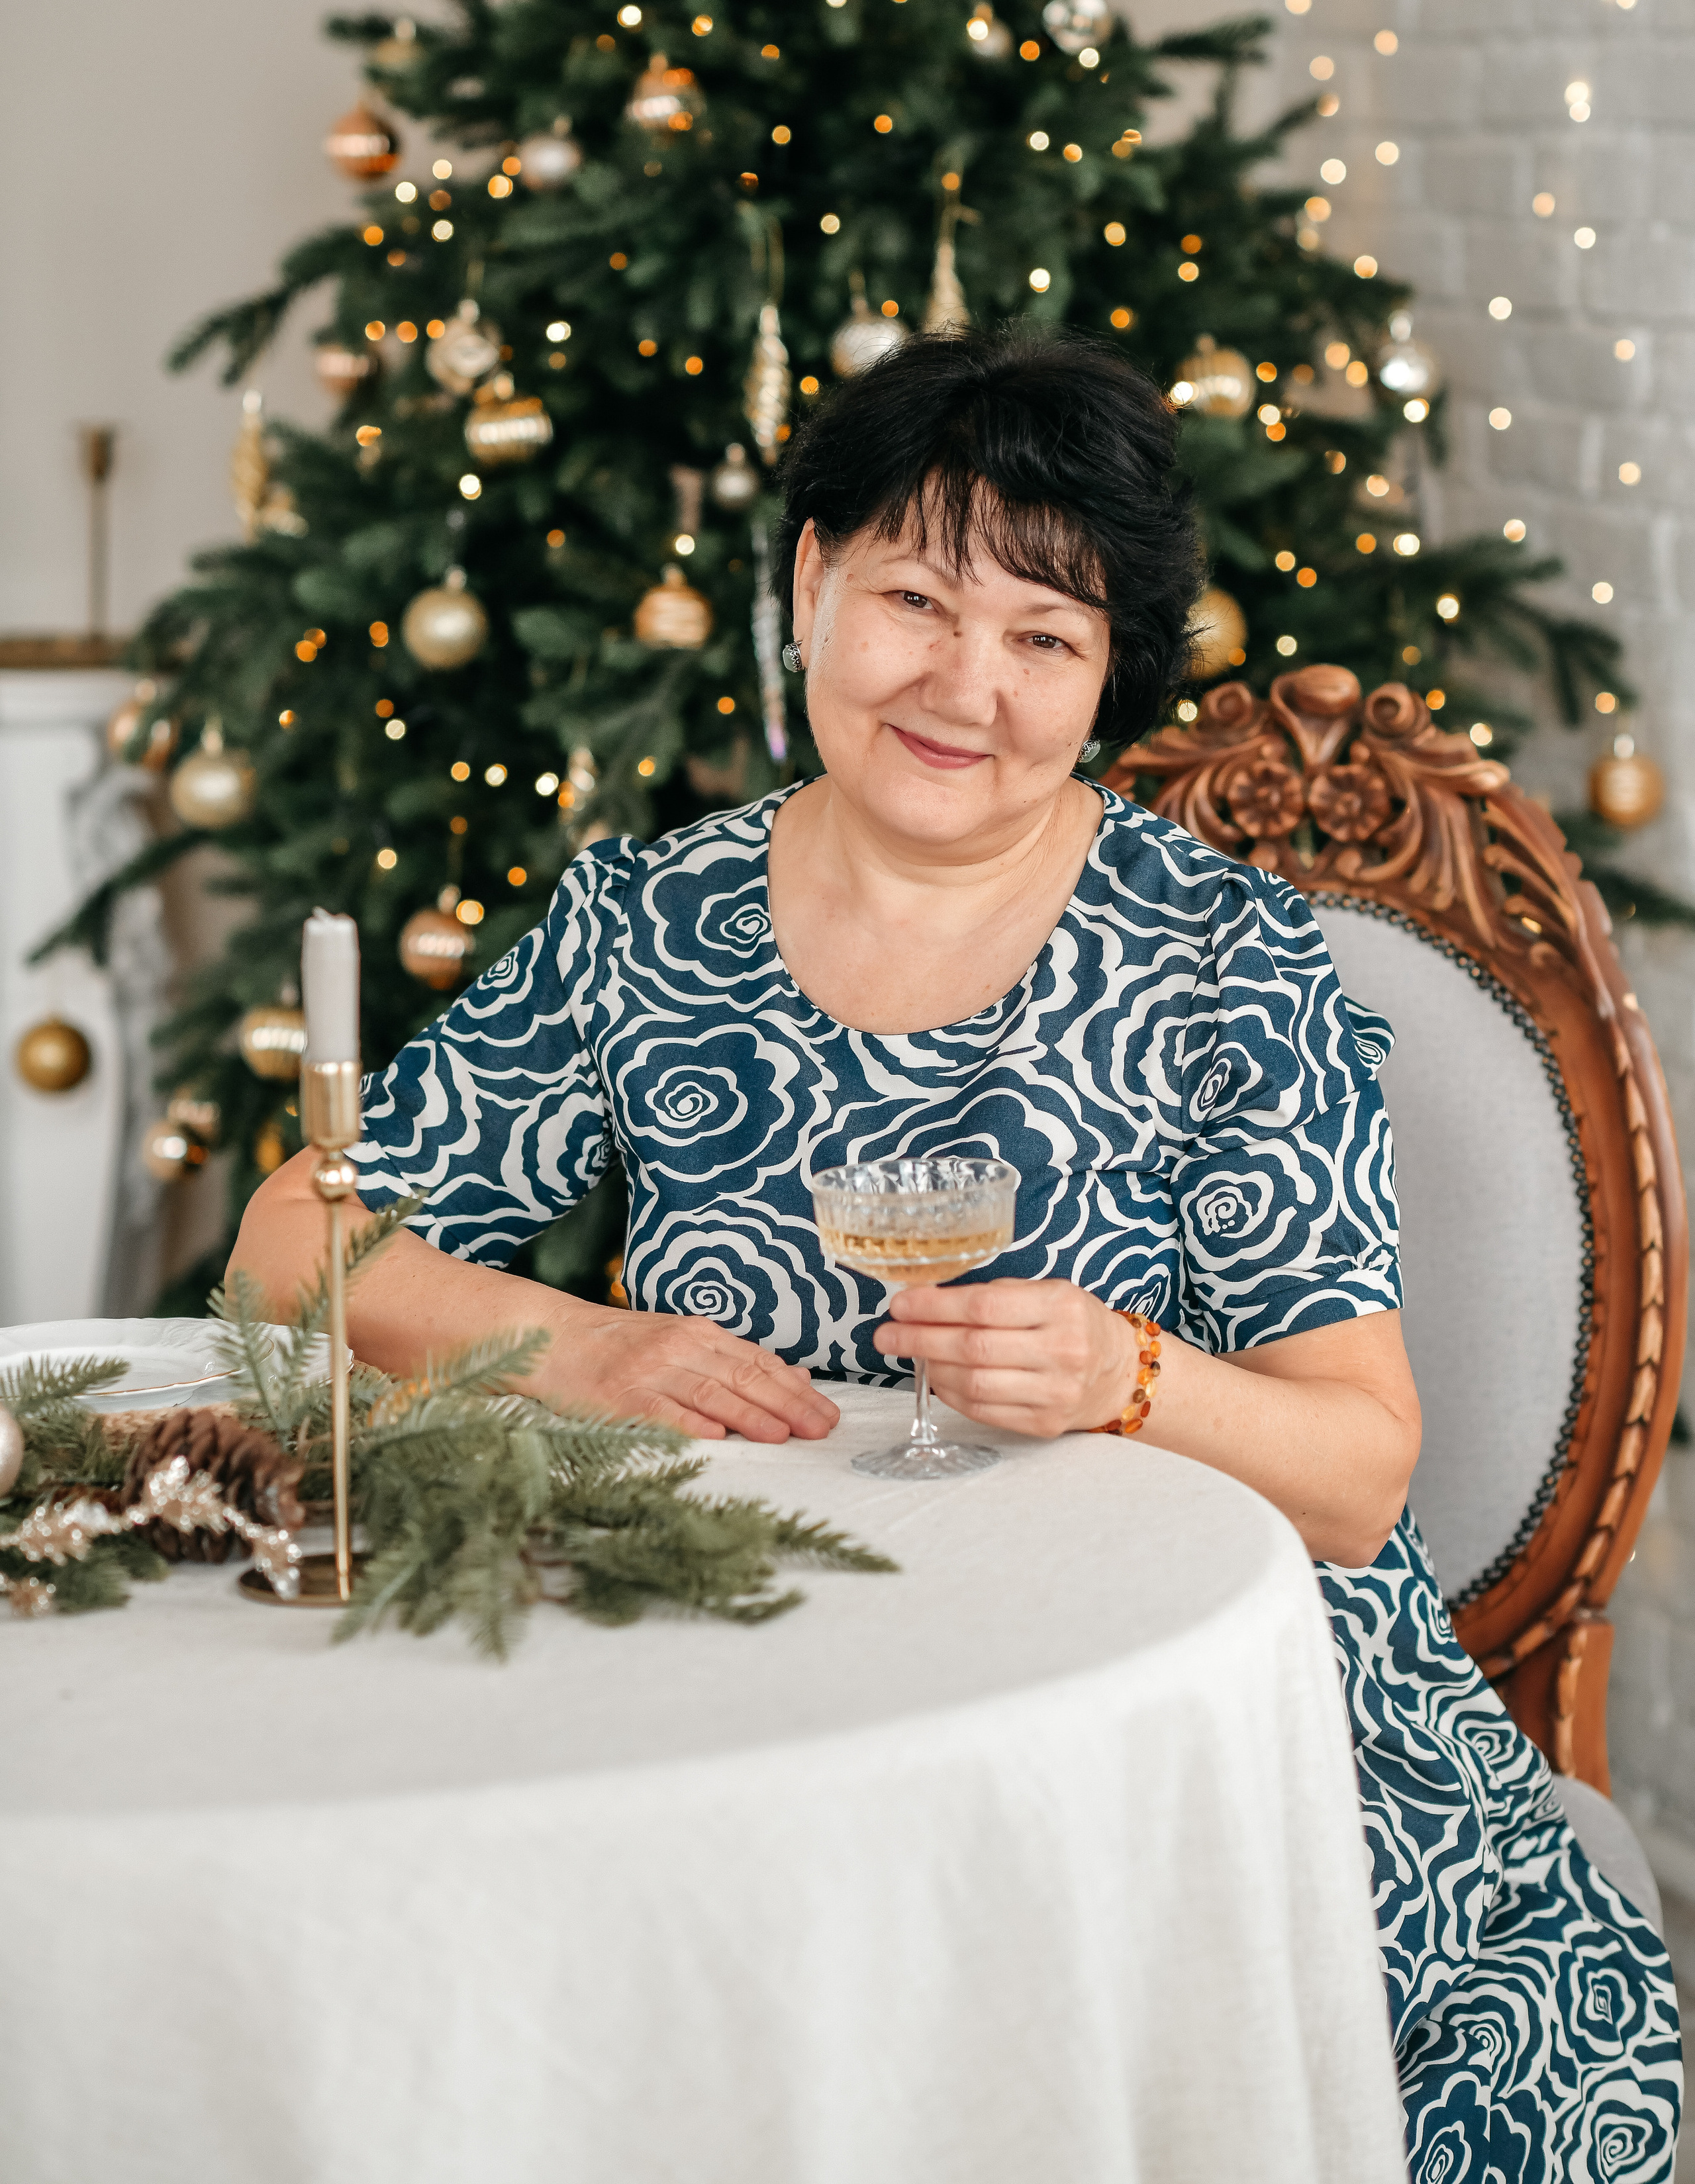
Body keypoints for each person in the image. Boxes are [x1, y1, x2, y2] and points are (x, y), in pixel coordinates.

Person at [232, 328, 1680, 2177]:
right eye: (916, 596)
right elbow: (294, 1244)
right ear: (811, 576)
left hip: (1158, 1748)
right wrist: (578, 1347)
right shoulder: (647, 923)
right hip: (758, 1679)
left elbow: (1356, 1469)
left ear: (1106, 684)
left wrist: (1124, 1377)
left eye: (1043, 638)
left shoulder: (1225, 961)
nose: (962, 682)